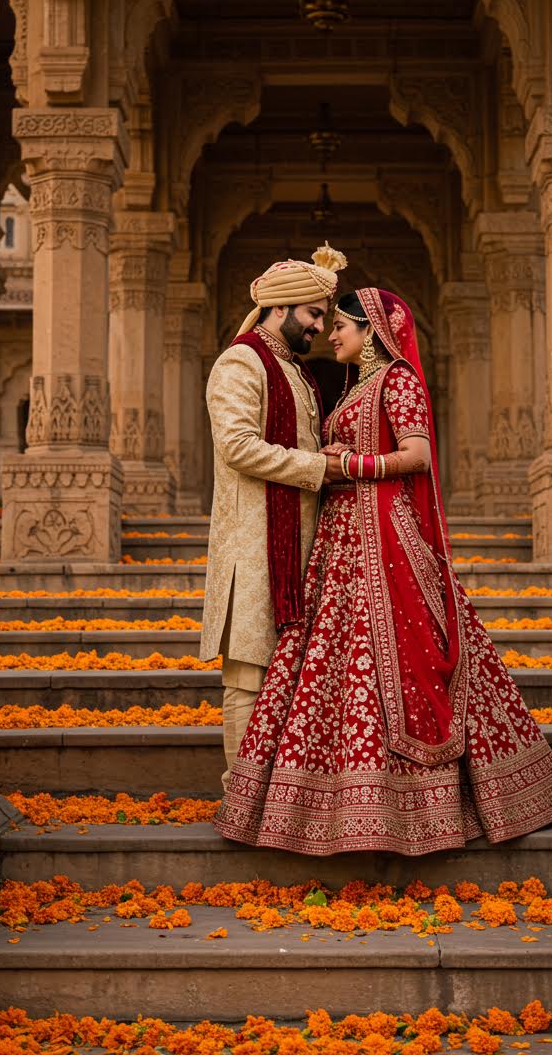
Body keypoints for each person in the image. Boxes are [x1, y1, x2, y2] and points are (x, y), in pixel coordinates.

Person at [214, 286, 552, 853]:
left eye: (342, 325)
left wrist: (348, 465)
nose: (330, 333)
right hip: (342, 539)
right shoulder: (351, 384)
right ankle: (341, 800)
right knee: (347, 664)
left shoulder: (397, 379)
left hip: (383, 533)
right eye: (322, 320)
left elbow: (418, 455)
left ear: (372, 330)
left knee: (399, 654)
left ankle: (419, 803)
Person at [201, 244, 348, 789]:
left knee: (286, 678)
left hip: (296, 545)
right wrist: (319, 468)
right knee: (248, 677)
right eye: (312, 314)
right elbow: (238, 446)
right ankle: (241, 791)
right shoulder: (241, 362)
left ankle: (278, 795)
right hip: (254, 545)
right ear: (281, 308)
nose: (318, 328)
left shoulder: (294, 372)